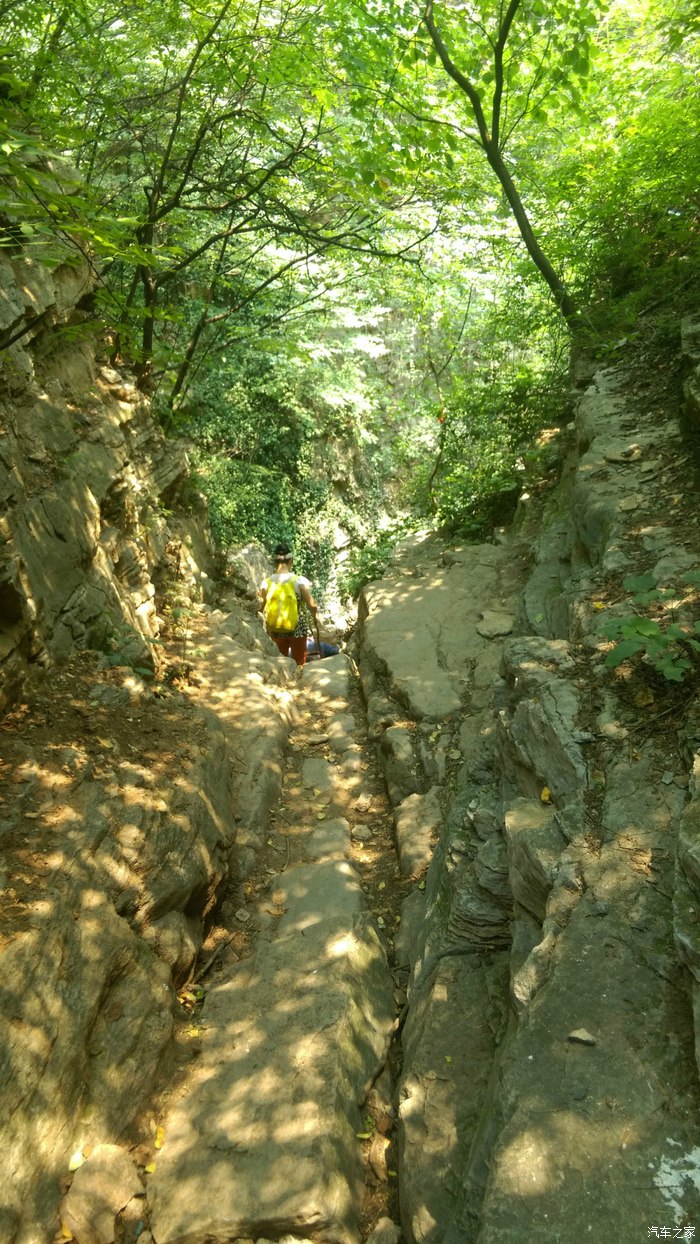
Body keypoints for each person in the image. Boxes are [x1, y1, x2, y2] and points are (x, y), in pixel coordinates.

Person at [259, 544, 318, 667]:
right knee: (299, 663)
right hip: (298, 628)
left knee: (280, 662)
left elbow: (261, 607)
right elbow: (312, 605)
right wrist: (315, 619)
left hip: (275, 628)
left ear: (274, 562)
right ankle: (299, 676)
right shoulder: (299, 581)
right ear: (290, 561)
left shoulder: (266, 583)